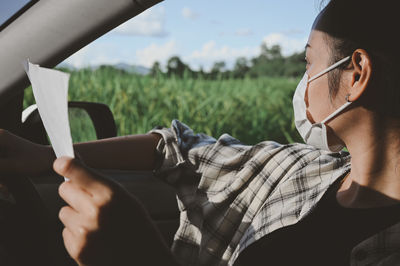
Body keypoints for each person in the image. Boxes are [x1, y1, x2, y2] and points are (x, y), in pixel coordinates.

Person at [1, 0, 400, 265]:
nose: (303, 82)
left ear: (357, 74)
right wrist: (42, 157)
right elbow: (175, 148)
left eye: (309, 64)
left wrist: (142, 257)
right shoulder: (297, 168)